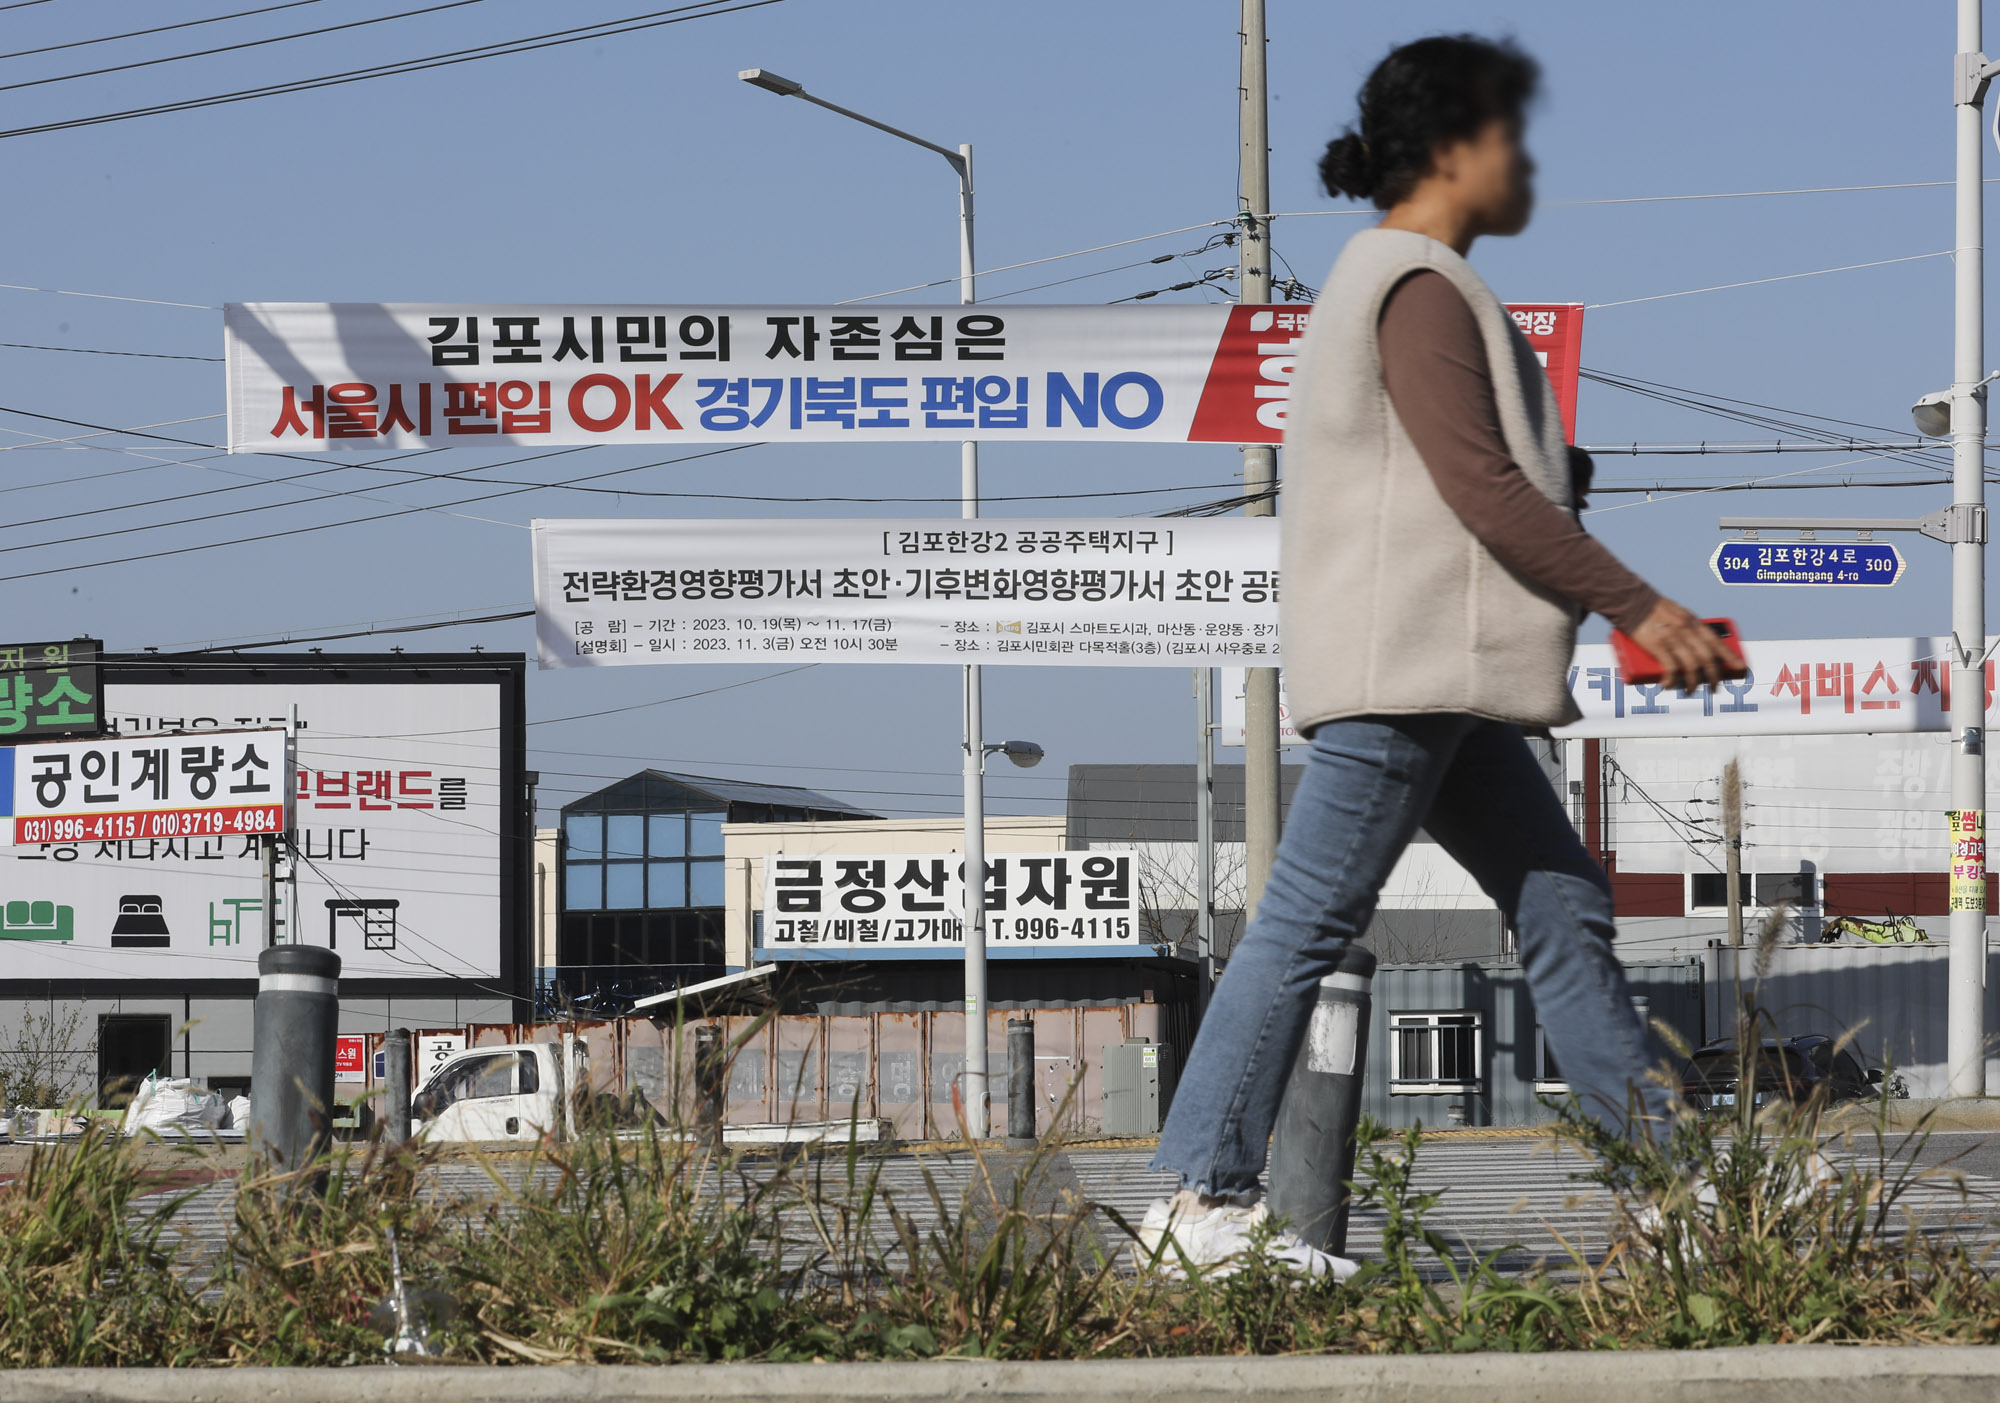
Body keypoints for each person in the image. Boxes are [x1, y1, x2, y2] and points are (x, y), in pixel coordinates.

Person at [1136, 34, 1743, 1278]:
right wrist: (1638, 606)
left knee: (1560, 899)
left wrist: (1554, 479)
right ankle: (1200, 1199)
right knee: (1303, 922)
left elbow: (1470, 475)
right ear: (1452, 148)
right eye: (1510, 134)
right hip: (1407, 670)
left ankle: (1675, 1188)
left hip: (1443, 675)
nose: (1526, 159)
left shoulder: (1405, 281)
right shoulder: (1411, 282)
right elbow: (1478, 487)